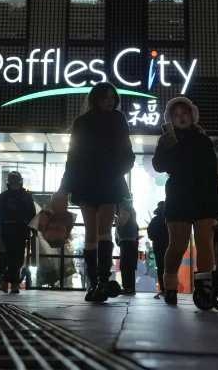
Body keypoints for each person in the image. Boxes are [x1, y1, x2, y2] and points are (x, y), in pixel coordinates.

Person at [52, 82, 135, 303]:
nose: (110, 101)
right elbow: (73, 157)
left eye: (112, 98)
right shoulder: (91, 122)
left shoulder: (102, 120)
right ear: (96, 99)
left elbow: (126, 152)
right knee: (94, 231)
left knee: (101, 230)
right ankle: (96, 281)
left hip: (101, 181)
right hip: (99, 180)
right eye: (105, 97)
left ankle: (99, 281)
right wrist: (64, 187)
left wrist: (65, 187)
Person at [152, 97, 218, 306]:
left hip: (205, 196)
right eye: (176, 114)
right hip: (179, 195)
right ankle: (170, 284)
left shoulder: (203, 138)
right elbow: (159, 165)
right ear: (170, 118)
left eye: (184, 113)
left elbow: (213, 170)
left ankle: (204, 288)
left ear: (192, 115)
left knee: (205, 244)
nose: (181, 117)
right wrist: (168, 146)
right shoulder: (167, 139)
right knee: (177, 244)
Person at [0, 171, 35, 294]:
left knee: (16, 258)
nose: (14, 184)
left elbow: (32, 213)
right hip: (11, 229)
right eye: (13, 181)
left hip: (17, 229)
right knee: (13, 258)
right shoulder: (8, 196)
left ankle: (6, 280)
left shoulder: (19, 196)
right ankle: (13, 283)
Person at [115, 200, 140, 295]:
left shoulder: (124, 212)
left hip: (126, 242)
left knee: (125, 266)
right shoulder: (133, 217)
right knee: (130, 266)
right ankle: (131, 288)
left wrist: (117, 223)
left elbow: (121, 228)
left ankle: (127, 288)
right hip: (132, 243)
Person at [147, 201, 169, 298]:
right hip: (169, 246)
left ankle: (163, 289)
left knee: (160, 268)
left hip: (158, 247)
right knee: (170, 267)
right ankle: (171, 288)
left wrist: (156, 239)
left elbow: (150, 234)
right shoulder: (169, 219)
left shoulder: (154, 220)